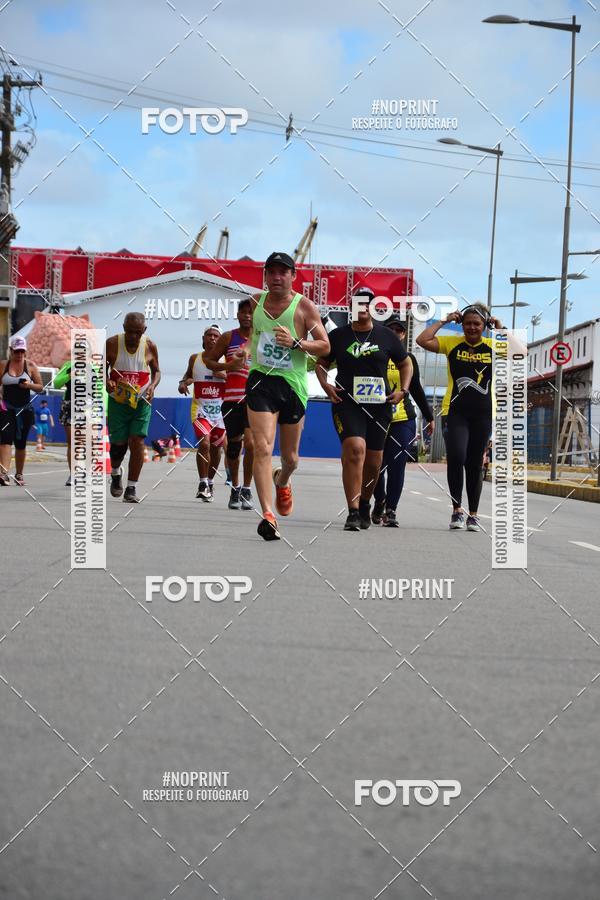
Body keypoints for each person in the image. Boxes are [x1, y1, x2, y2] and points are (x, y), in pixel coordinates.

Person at [246, 252, 330, 540]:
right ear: (265, 276)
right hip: (261, 381)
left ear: (293, 276)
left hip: (292, 385)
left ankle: (282, 480)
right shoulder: (255, 302)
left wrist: (296, 342)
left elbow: (325, 346)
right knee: (262, 447)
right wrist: (244, 352)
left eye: (283, 272)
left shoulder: (304, 307)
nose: (277, 277)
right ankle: (268, 515)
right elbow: (254, 337)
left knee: (291, 458)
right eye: (271, 272)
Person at [316, 288, 412, 532]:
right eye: (357, 304)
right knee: (355, 448)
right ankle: (352, 510)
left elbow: (406, 363)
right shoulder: (338, 336)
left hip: (379, 406)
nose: (362, 308)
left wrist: (403, 390)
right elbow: (321, 364)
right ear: (351, 308)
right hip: (347, 403)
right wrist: (326, 385)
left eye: (367, 304)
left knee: (373, 461)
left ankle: (366, 502)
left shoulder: (386, 336)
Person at [416, 304, 503, 531]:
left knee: (474, 463)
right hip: (455, 412)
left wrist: (500, 328)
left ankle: (473, 515)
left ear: (485, 325)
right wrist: (444, 321)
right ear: (461, 324)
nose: (472, 328)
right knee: (456, 456)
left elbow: (521, 352)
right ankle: (457, 511)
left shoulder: (494, 346)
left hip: (484, 413)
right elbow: (422, 340)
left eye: (477, 324)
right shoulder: (452, 343)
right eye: (468, 323)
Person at [372, 315, 435, 527]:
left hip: (403, 418)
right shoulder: (374, 354)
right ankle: (379, 499)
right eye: (391, 330)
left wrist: (429, 416)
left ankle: (391, 510)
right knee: (375, 464)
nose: (395, 333)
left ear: (404, 335)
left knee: (397, 464)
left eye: (399, 331)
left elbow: (416, 388)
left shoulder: (408, 359)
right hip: (376, 417)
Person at [204, 299, 255, 511]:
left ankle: (247, 489)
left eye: (250, 312)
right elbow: (209, 361)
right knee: (234, 447)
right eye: (243, 312)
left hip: (255, 399)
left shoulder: (262, 337)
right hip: (232, 399)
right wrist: (229, 366)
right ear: (237, 315)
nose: (247, 316)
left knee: (251, 445)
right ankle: (235, 487)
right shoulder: (228, 337)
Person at [105, 312, 160, 503]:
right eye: (129, 331)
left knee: (137, 441)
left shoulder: (150, 345)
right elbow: (99, 367)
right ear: (123, 328)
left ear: (144, 330)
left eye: (138, 332)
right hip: (118, 402)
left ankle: (131, 487)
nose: (133, 336)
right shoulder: (112, 343)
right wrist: (107, 381)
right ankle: (115, 472)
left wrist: (152, 386)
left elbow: (157, 371)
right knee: (118, 446)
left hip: (141, 401)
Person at [179, 325, 227, 502]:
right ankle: (202, 482)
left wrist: (224, 375)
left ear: (221, 340)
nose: (212, 338)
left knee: (216, 448)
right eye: (209, 335)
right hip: (200, 409)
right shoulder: (195, 358)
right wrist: (183, 383)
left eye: (216, 336)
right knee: (204, 443)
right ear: (203, 338)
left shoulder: (227, 359)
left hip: (221, 412)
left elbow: (238, 381)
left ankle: (210, 482)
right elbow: (187, 376)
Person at [0, 336, 44, 486]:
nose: (19, 354)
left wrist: (28, 386)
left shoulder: (30, 366)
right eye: (16, 351)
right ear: (11, 350)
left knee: (21, 443)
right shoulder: (3, 365)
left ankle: (19, 474)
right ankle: (4, 473)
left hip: (24, 409)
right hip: (6, 408)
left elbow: (40, 387)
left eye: (22, 351)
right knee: (5, 439)